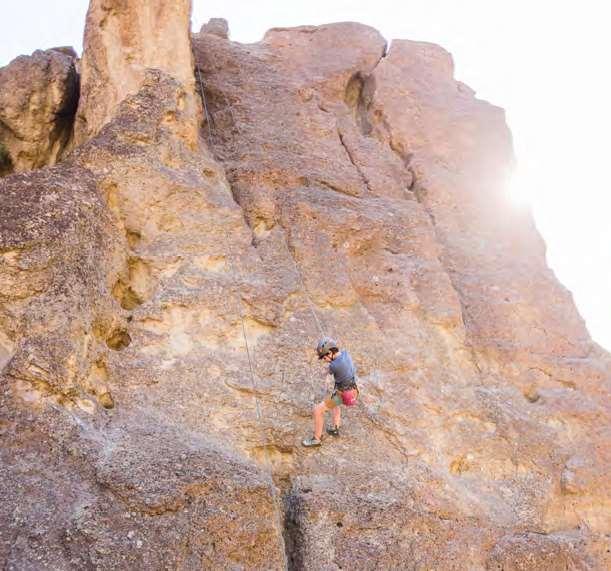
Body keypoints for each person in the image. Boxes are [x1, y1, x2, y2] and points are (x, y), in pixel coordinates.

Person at [302, 337, 359, 448]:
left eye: (324, 357)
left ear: (330, 353)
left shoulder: (334, 365)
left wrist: (324, 374)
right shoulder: (346, 353)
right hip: (353, 391)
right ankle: (335, 428)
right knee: (335, 402)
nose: (324, 360)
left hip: (344, 395)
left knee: (317, 410)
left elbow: (326, 372)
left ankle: (316, 439)